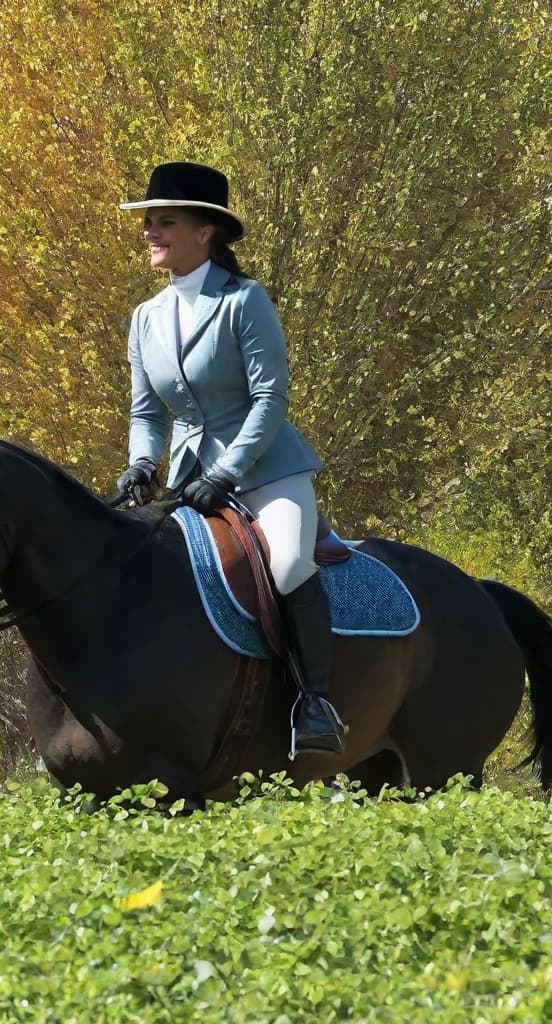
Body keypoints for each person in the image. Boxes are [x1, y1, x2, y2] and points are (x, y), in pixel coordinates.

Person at [116, 161, 345, 756]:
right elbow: (147, 413)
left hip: (266, 469)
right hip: (191, 477)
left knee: (290, 563)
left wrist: (228, 471)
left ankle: (315, 704)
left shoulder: (244, 300)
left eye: (164, 222)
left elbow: (271, 398)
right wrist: (143, 462)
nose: (150, 233)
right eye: (148, 223)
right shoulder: (146, 317)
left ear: (205, 232)